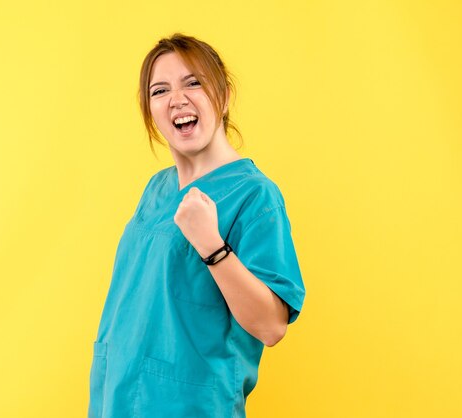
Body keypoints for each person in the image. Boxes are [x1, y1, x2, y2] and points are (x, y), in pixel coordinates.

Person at [88, 33, 306, 418]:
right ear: (150, 111)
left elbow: (272, 326)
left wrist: (212, 245)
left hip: (190, 407)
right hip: (118, 400)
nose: (177, 99)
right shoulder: (157, 188)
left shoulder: (254, 195)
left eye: (193, 83)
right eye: (160, 90)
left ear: (222, 97)